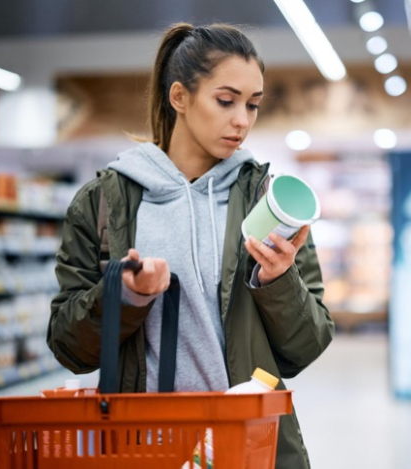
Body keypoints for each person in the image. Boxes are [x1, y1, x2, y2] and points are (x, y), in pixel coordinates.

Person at [47, 22, 334, 468]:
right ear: (179, 97)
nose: (242, 120)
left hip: (248, 446)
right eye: (226, 101)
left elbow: (307, 345)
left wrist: (278, 281)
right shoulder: (105, 203)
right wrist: (126, 296)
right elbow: (68, 346)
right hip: (145, 448)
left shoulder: (267, 201)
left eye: (253, 105)